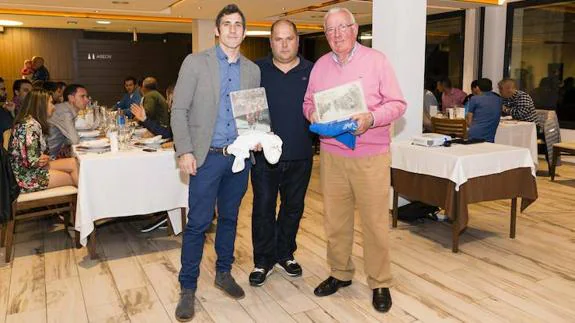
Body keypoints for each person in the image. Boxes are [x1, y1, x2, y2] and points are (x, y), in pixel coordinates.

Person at [302, 7, 406, 313]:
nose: (336, 35)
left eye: (342, 28)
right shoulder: (320, 66)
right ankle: (340, 273)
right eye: (330, 30)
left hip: (371, 156)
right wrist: (312, 113)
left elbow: (398, 104)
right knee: (336, 220)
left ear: (355, 29)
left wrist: (371, 118)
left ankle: (379, 281)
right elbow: (308, 102)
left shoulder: (377, 61)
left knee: (374, 222)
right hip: (332, 155)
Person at [171, 4, 261, 322]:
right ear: (217, 30)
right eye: (227, 24)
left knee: (230, 219)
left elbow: (254, 114)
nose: (233, 29)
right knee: (197, 224)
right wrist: (184, 151)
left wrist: (259, 136)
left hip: (238, 159)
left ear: (245, 31)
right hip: (206, 158)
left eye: (239, 24)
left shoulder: (252, 70)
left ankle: (223, 273)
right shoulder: (196, 63)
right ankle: (187, 287)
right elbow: (179, 110)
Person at [248, 19, 314, 287]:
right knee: (263, 208)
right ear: (270, 42)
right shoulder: (256, 71)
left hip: (301, 154)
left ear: (298, 40)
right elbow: (247, 110)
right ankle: (262, 260)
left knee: (293, 208)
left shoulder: (313, 71)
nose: (284, 44)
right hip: (264, 156)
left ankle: (285, 253)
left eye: (289, 38)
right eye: (278, 39)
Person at [8, 89, 78, 193]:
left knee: (74, 163)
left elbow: (34, 156)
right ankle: (89, 204)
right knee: (74, 175)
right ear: (40, 105)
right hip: (25, 177)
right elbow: (32, 162)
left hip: (28, 171)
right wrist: (42, 159)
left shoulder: (31, 122)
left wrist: (44, 157)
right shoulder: (30, 126)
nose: (54, 107)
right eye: (50, 103)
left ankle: (87, 204)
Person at [47, 84, 89, 158]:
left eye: (86, 96)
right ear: (71, 98)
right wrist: (68, 142)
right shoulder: (64, 112)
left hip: (52, 154)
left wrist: (65, 143)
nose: (87, 100)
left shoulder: (65, 108)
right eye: (82, 96)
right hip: (48, 157)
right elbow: (75, 140)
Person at [466, 78, 502, 143]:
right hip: (490, 134)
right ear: (491, 88)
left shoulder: (474, 98)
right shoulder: (498, 99)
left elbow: (469, 121)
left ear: (477, 87)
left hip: (475, 134)